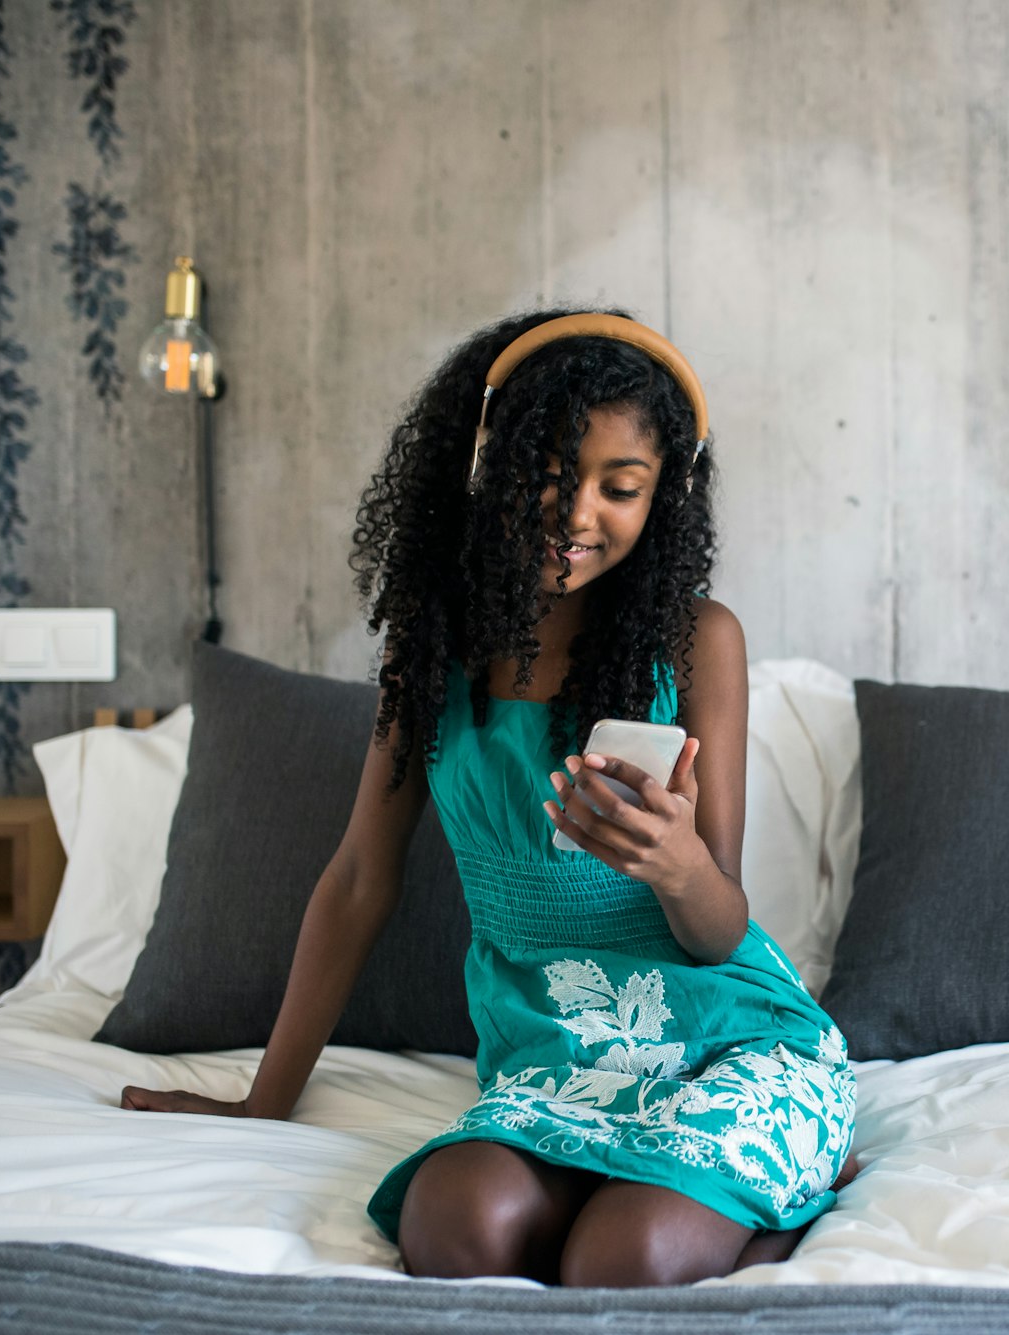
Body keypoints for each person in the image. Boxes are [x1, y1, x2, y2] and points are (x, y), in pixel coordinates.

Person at [119, 309, 858, 1286]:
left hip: (725, 1045)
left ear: (660, 499)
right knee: (454, 1229)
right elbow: (356, 881)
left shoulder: (695, 640)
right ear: (485, 465)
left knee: (621, 1257)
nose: (576, 512)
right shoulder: (432, 647)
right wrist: (265, 1101)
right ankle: (736, 1202)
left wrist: (677, 866)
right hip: (549, 1056)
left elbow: (719, 932)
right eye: (546, 472)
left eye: (620, 488)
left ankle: (780, 1201)